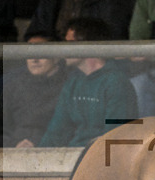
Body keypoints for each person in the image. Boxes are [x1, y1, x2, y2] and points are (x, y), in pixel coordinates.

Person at [38, 18, 137, 148]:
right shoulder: (73, 82)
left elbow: (116, 137)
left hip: (102, 159)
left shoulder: (116, 82)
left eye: (71, 43)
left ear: (89, 45)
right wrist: (36, 160)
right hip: (76, 156)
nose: (64, 48)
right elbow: (56, 132)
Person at [0, 57, 68, 147]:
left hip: (58, 153)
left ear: (56, 58)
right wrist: (15, 145)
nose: (34, 60)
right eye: (30, 54)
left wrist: (38, 144)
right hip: (16, 155)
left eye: (42, 53)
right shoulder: (13, 86)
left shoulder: (69, 86)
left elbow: (73, 131)